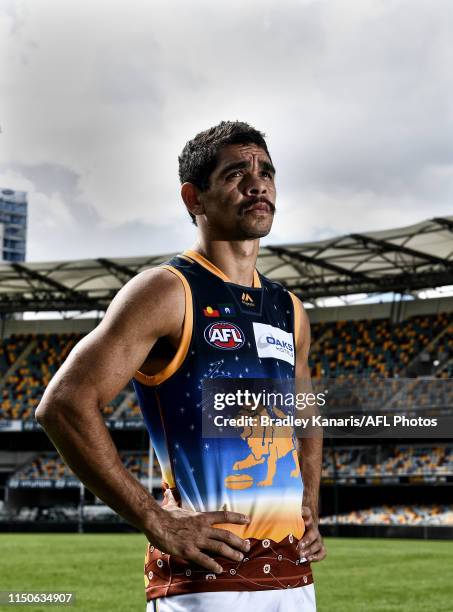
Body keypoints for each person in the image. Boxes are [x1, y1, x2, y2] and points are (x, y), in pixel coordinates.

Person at [35, 121, 326, 612]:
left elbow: (304, 410)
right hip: (207, 584)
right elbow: (63, 404)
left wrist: (311, 503)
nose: (258, 183)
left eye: (267, 172)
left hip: (294, 578)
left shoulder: (289, 307)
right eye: (237, 173)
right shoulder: (167, 291)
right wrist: (158, 520)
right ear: (194, 198)